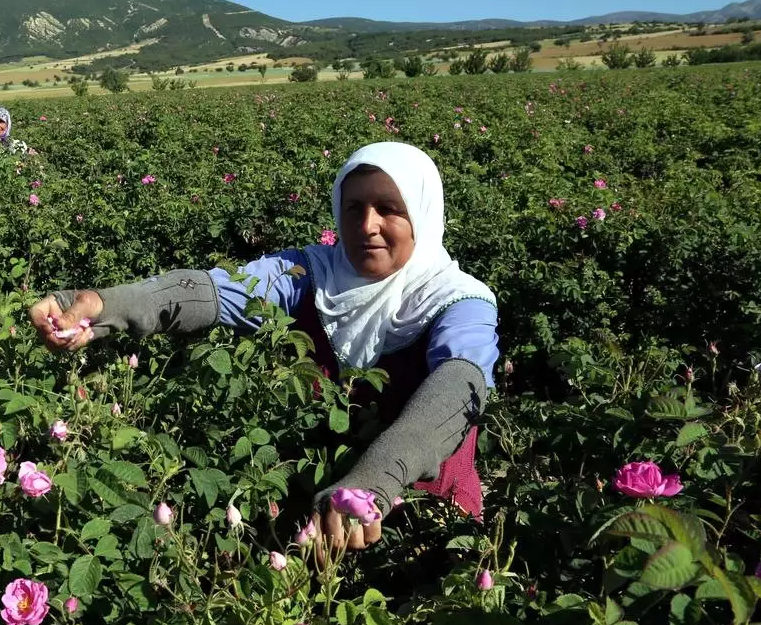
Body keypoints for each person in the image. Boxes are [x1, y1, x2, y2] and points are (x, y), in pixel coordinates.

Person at [30, 142, 499, 557]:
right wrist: (100, 304)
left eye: (389, 208)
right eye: (353, 208)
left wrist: (372, 483)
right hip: (311, 518)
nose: (368, 225)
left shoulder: (459, 301)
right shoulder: (310, 272)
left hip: (427, 521)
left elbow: (457, 388)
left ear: (422, 212)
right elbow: (209, 292)